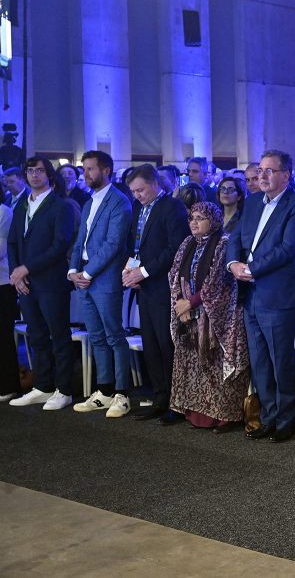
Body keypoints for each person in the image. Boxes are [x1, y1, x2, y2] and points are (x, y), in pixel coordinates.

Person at [226, 150, 295, 443]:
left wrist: (251, 268)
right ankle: (268, 416)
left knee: (280, 360)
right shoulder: (250, 203)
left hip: (278, 293)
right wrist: (232, 264)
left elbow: (288, 249)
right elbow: (234, 239)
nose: (262, 176)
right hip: (251, 293)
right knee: (260, 361)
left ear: (285, 175)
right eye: (260, 171)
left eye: (269, 171)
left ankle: (286, 420)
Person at [168, 201, 250, 431]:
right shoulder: (187, 243)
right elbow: (174, 274)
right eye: (191, 218)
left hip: (219, 315)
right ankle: (198, 412)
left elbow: (219, 283)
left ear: (212, 220)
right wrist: (180, 305)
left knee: (215, 362)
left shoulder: (224, 243)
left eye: (200, 218)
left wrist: (190, 303)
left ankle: (224, 415)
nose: (193, 222)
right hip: (190, 313)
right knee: (193, 362)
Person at [122, 165, 189, 422]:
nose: (137, 195)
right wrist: (131, 272)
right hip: (145, 287)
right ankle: (159, 397)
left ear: (154, 183)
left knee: (166, 345)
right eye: (133, 191)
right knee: (150, 346)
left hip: (164, 286)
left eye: (140, 189)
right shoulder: (140, 208)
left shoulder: (172, 208)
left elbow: (175, 249)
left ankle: (176, 402)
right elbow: (135, 245)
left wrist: (145, 272)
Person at [69, 151, 134, 418]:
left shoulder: (119, 202)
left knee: (114, 336)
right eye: (84, 169)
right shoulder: (87, 202)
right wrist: (74, 269)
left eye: (91, 169)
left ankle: (122, 394)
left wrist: (88, 273)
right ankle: (104, 390)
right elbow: (79, 240)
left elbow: (113, 245)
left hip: (104, 277)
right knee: (96, 337)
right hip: (84, 277)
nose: (86, 174)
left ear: (106, 170)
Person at [7, 158, 76, 410]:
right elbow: (13, 242)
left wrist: (27, 268)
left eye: (39, 171)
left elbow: (59, 245)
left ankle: (64, 389)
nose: (34, 175)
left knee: (58, 335)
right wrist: (17, 272)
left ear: (49, 175)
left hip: (51, 280)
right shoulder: (21, 205)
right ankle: (43, 386)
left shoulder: (61, 206)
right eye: (30, 171)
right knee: (35, 335)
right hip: (25, 282)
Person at [0, 202, 18, 402]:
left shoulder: (3, 212)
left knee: (3, 337)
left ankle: (8, 385)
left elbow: (1, 250)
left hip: (3, 283)